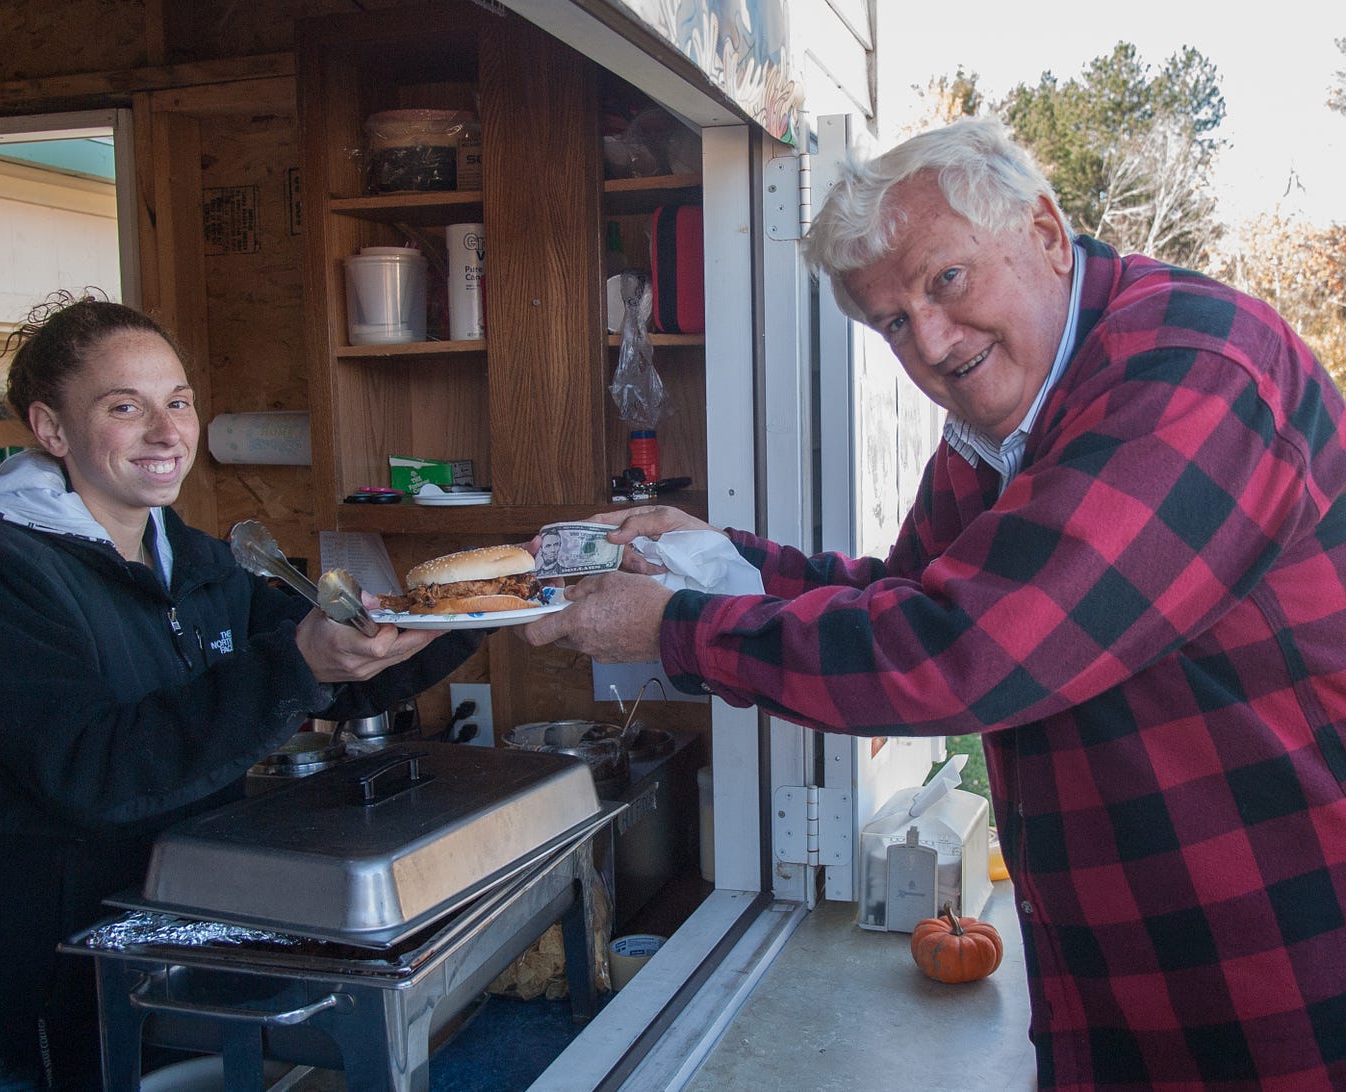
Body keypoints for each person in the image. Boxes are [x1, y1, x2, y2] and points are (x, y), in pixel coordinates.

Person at [522, 117, 1346, 1088]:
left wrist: (670, 628)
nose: (932, 342)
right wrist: (704, 559)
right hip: (1103, 985)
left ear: (1042, 229)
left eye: (944, 281)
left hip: (1277, 987)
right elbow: (904, 596)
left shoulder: (1195, 369)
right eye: (892, 322)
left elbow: (963, 655)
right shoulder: (992, 430)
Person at [0, 292, 482, 1091]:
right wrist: (295, 666)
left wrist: (486, 610)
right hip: (10, 1005)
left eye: (179, 402)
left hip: (149, 965)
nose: (168, 433)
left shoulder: (197, 563)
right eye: (125, 407)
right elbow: (91, 770)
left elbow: (341, 674)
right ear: (52, 429)